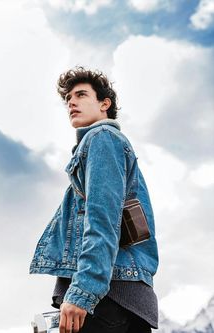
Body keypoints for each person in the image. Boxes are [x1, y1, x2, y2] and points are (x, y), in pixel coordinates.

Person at [30, 66, 159, 333]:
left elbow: (102, 221)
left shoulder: (102, 139)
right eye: (68, 100)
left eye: (80, 95)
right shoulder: (100, 144)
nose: (72, 103)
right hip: (118, 295)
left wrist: (83, 291)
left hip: (108, 298)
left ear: (104, 104)